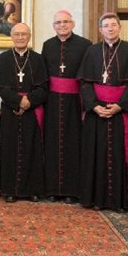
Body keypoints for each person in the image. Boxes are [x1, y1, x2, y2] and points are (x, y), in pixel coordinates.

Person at [78, 13, 128, 211]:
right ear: (100, 30)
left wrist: (119, 106)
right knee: (96, 155)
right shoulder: (92, 51)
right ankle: (97, 199)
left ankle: (120, 201)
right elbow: (85, 82)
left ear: (119, 27)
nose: (110, 29)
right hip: (96, 113)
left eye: (114, 25)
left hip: (120, 113)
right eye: (106, 26)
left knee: (119, 156)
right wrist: (94, 106)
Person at [0, 23, 48, 202]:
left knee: (32, 148)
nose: (20, 37)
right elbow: (0, 87)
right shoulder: (2, 59)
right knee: (9, 149)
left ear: (29, 36)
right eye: (17, 34)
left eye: (24, 34)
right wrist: (18, 102)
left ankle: (32, 190)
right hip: (10, 111)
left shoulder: (39, 59)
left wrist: (28, 101)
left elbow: (44, 87)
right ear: (11, 36)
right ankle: (9, 190)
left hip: (32, 111)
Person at [41, 10, 91, 202]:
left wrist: (86, 105)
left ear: (73, 23)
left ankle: (71, 190)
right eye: (58, 22)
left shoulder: (85, 45)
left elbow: (87, 76)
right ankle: (53, 189)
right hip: (52, 101)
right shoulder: (48, 45)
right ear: (53, 26)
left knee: (73, 144)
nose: (62, 25)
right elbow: (44, 75)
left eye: (65, 22)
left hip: (74, 102)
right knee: (52, 144)